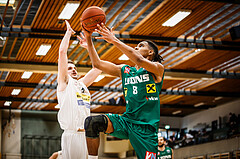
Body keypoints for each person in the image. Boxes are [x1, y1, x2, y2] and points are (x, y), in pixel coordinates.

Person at [79, 23, 164, 159]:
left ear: (151, 52)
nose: (136, 48)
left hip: (146, 129)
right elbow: (98, 64)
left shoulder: (157, 69)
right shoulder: (125, 70)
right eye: (136, 46)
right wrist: (89, 38)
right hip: (127, 121)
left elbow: (138, 59)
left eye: (141, 46)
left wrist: (114, 40)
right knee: (92, 123)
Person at [57, 20, 102, 159]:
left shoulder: (81, 84)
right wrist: (68, 33)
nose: (73, 70)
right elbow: (62, 52)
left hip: (86, 135)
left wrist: (89, 46)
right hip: (72, 135)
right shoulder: (64, 83)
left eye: (75, 68)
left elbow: (99, 67)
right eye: (70, 68)